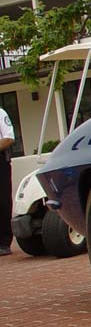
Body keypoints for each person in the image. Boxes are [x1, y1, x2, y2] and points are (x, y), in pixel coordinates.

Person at [0, 106, 14, 256]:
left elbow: (9, 138)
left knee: (3, 201)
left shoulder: (1, 113)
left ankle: (4, 243)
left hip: (1, 163)